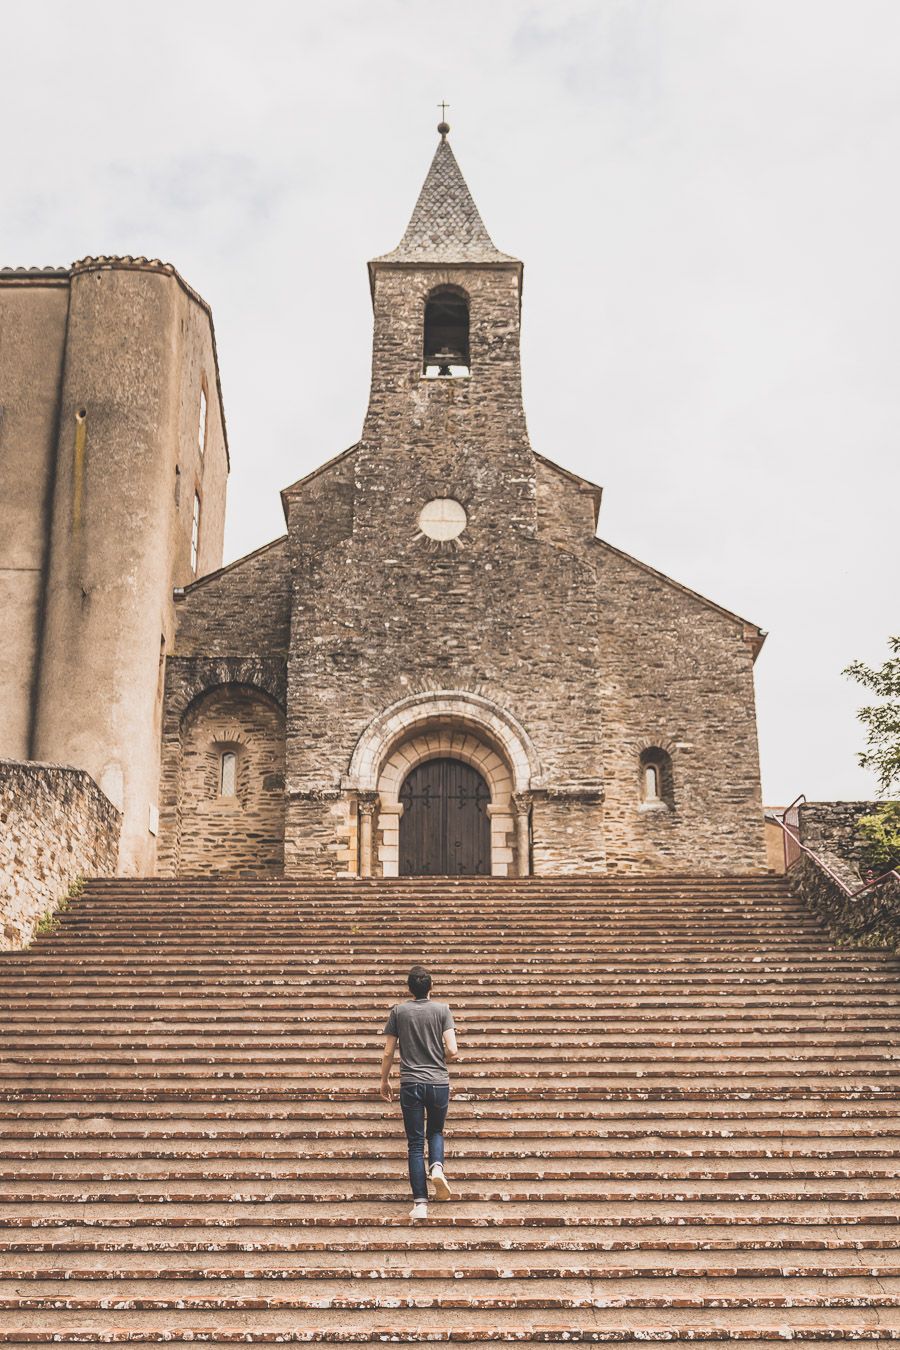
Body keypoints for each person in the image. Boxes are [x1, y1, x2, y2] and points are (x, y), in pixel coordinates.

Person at [380, 964, 458, 1221]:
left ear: (409, 989)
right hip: (438, 1082)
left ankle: (421, 1203)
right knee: (435, 1130)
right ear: (431, 987)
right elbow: (453, 1050)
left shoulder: (399, 1012)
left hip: (411, 1083)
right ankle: (437, 1166)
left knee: (415, 1143)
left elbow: (389, 1051)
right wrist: (438, 1055)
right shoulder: (443, 1010)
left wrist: (384, 1079)